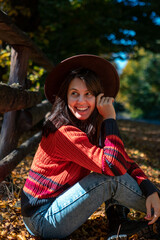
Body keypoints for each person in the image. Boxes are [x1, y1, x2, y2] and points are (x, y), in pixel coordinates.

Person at [21, 54, 160, 240]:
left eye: (89, 94)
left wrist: (150, 190)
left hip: (55, 208)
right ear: (65, 96)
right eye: (74, 94)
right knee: (109, 177)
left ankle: (118, 223)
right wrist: (110, 119)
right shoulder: (64, 132)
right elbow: (113, 168)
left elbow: (124, 161)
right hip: (42, 220)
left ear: (98, 97)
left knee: (111, 161)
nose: (82, 101)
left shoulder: (90, 128)